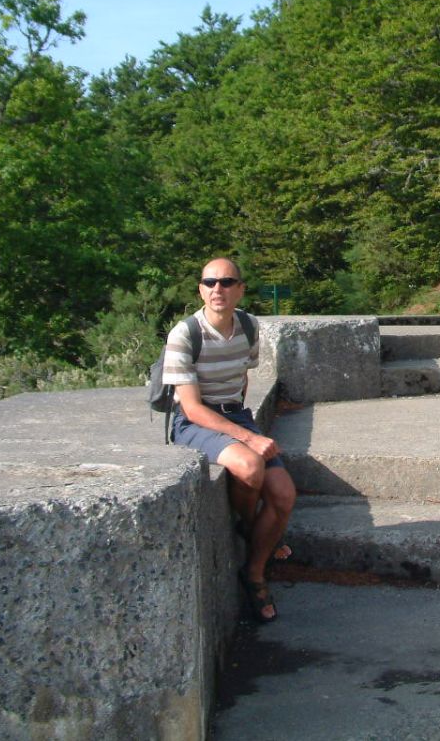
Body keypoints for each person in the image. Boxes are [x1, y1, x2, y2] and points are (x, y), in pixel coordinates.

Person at [163, 257, 296, 623]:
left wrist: (242, 422)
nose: (217, 289)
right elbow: (190, 408)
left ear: (240, 289)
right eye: (209, 283)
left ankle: (252, 567)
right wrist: (247, 437)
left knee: (284, 495)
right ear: (200, 290)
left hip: (234, 413)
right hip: (194, 422)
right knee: (250, 465)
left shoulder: (249, 328)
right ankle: (254, 539)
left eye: (226, 282)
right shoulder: (185, 334)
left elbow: (243, 378)